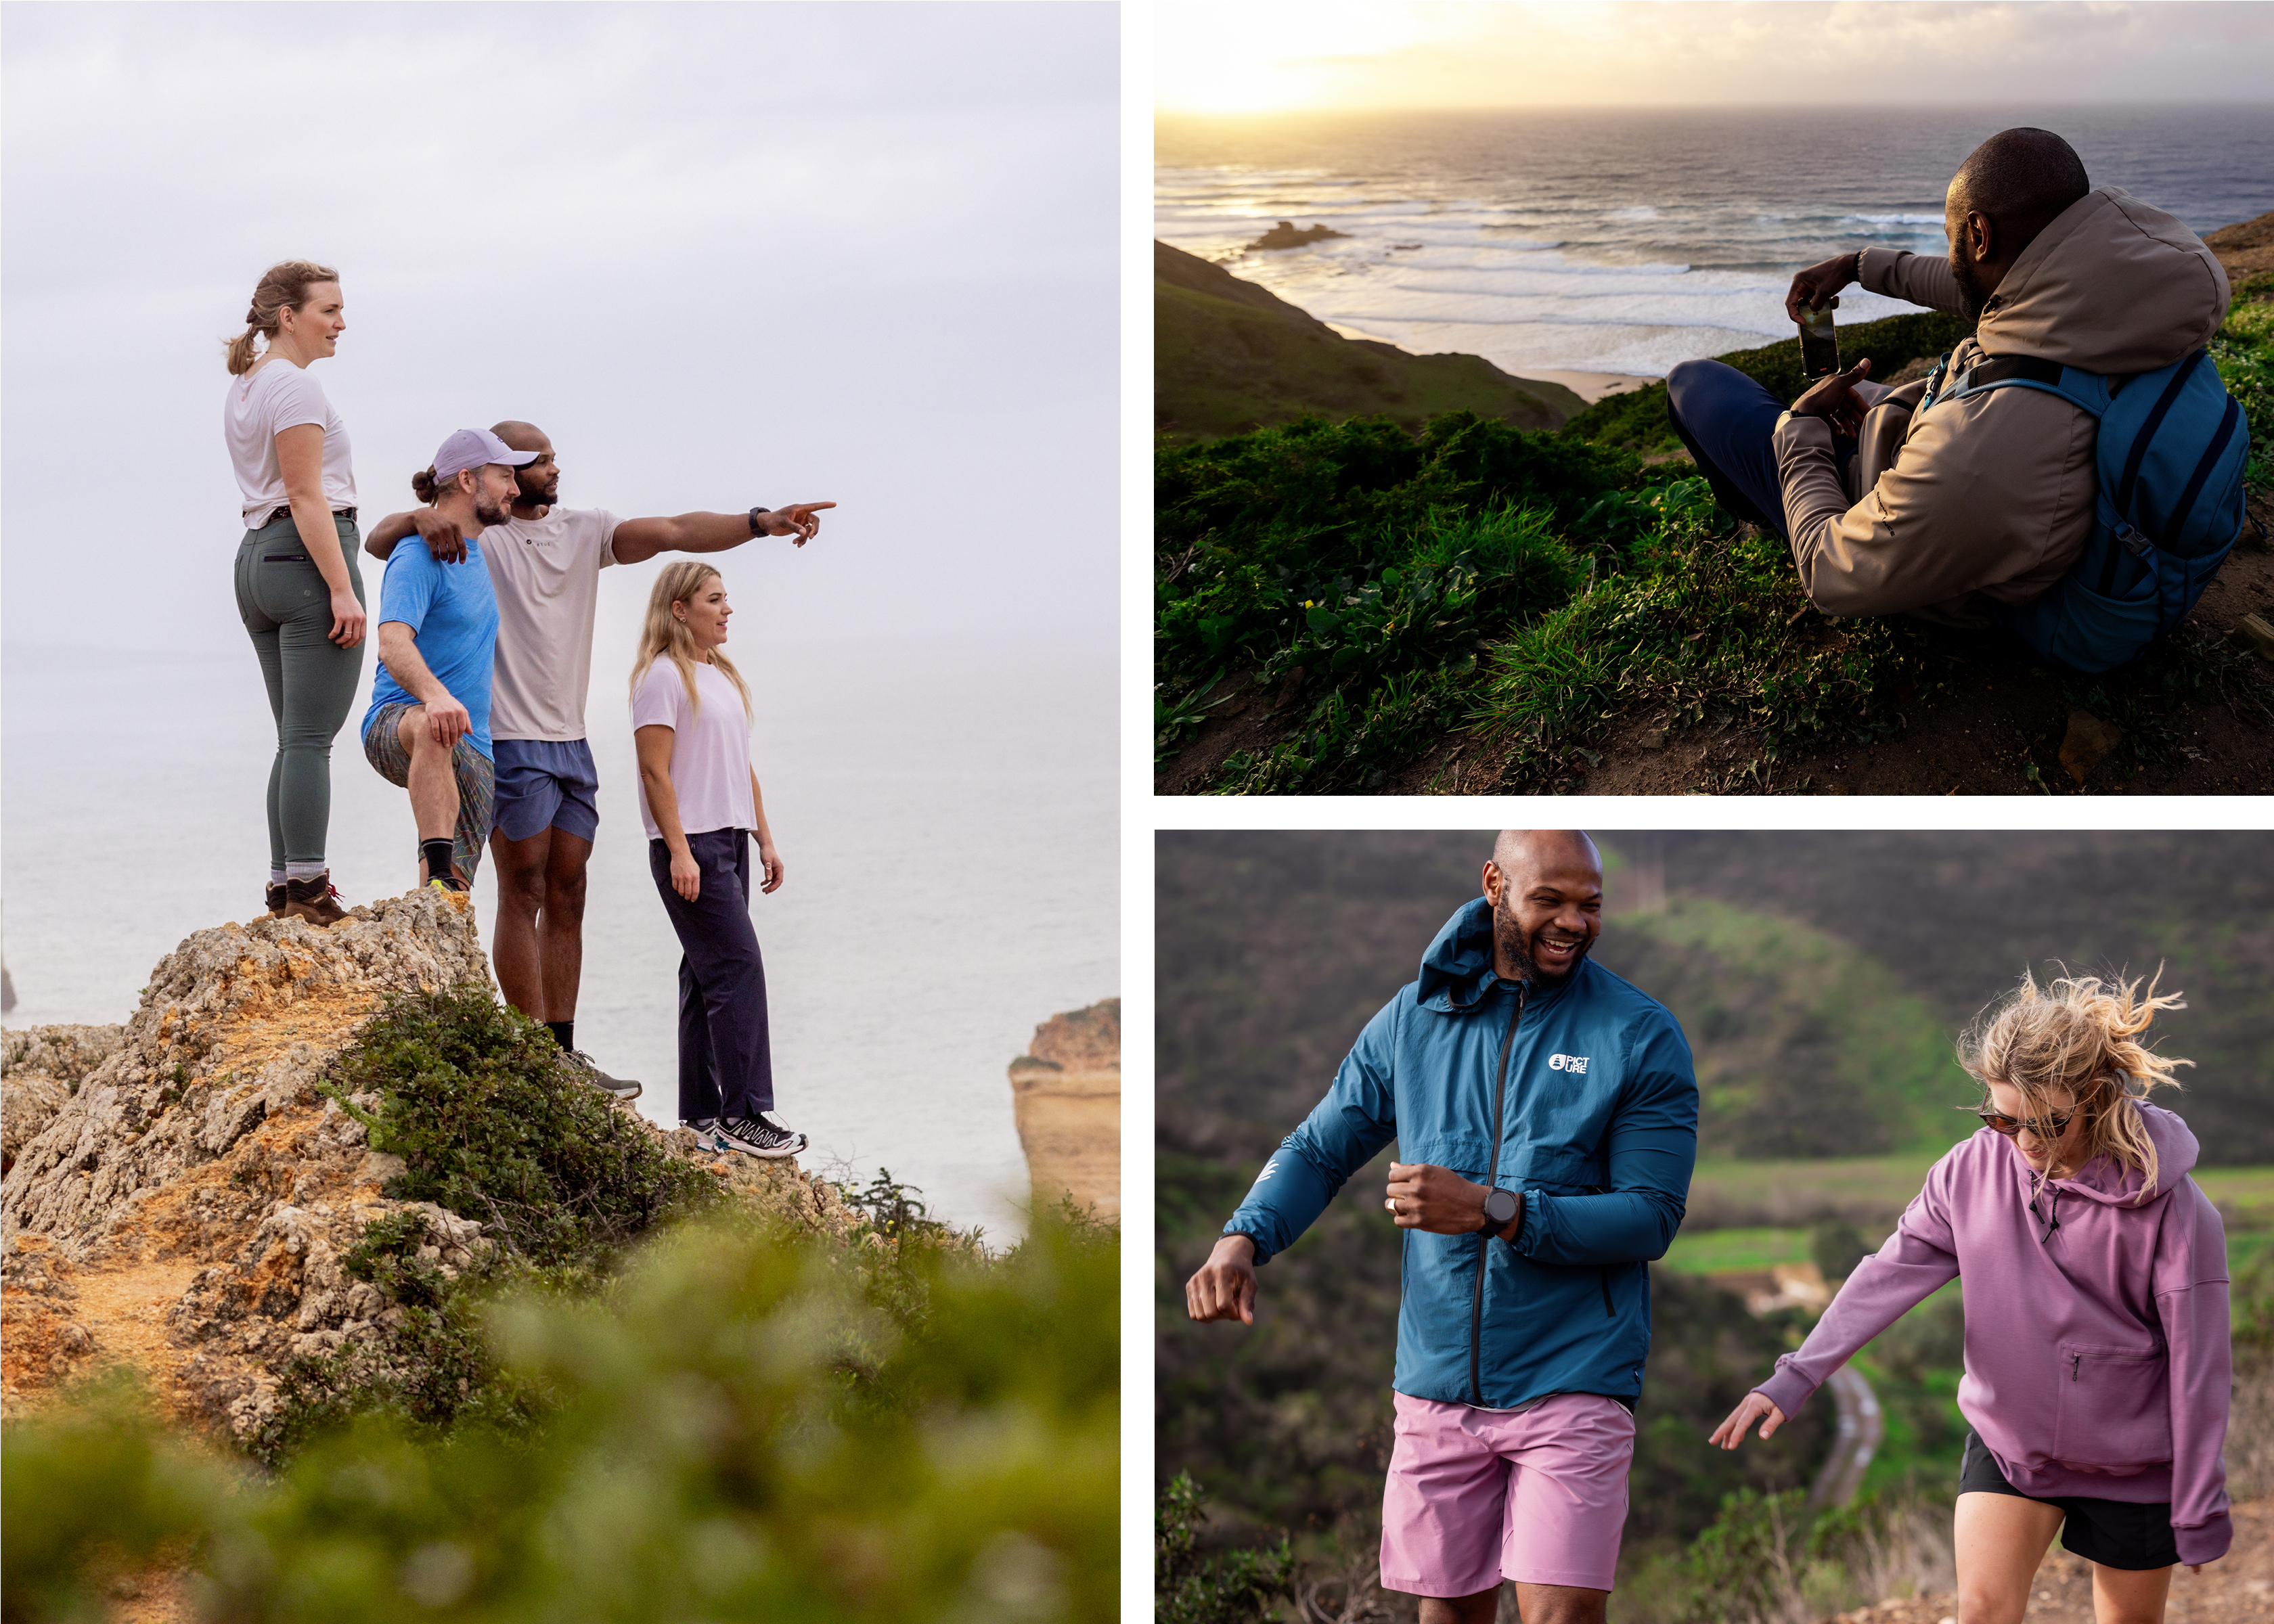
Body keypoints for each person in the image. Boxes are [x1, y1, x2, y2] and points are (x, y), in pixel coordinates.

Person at [1185, 832, 1699, 1624]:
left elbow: (1650, 1215)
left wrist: (1497, 1210)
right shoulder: (1412, 1019)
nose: (1575, 922)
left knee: (1561, 1615)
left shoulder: (1638, 1034)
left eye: (1590, 905)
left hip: (1573, 1378)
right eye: (1550, 900)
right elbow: (1321, 1148)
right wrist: (1241, 1239)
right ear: (1494, 884)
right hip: (1433, 1388)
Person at [1711, 971, 2229, 1623]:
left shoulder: (2178, 1212)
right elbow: (1888, 1274)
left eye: (2044, 1123)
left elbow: (2200, 1365)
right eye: (2000, 1119)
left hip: (2134, 1461)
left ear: (2094, 1097)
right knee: (1981, 1612)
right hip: (2011, 1442)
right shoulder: (1969, 1170)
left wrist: (2199, 1500)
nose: (2024, 1142)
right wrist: (1796, 1376)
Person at [365, 423, 830, 1098]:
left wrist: (760, 522)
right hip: (510, 737)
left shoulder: (585, 530)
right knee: (520, 888)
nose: (554, 468)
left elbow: (675, 529)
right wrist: (417, 514)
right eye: (537, 461)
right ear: (500, 474)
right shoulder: (478, 534)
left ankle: (563, 1050)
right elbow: (385, 540)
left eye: (553, 457)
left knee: (570, 891)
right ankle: (530, 1056)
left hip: (571, 739)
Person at [1664, 127, 2229, 624]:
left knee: (1696, 384)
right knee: (1855, 392)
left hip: (1950, 527)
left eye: (1952, 234)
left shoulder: (1984, 452)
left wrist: (1801, 432)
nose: (1950, 247)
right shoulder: (2135, 308)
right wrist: (1859, 266)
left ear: (1979, 235)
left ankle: (1761, 518)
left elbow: (1832, 578)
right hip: (2002, 490)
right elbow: (1991, 291)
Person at [630, 563, 804, 1160]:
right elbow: (654, 770)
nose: (727, 610)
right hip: (692, 844)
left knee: (705, 977)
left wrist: (765, 838)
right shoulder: (661, 678)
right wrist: (678, 849)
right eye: (714, 600)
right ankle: (744, 1114)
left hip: (727, 840)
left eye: (726, 599)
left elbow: (739, 766)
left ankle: (702, 1114)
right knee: (738, 969)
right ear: (679, 609)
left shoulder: (720, 674)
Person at [225, 260, 367, 928]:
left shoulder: (248, 386)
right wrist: (342, 587)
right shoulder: (296, 389)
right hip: (306, 560)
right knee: (310, 739)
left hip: (256, 559)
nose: (341, 322)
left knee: (293, 739)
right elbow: (306, 494)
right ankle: (310, 890)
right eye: (329, 310)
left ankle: (285, 886)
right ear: (289, 317)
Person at [359, 430, 534, 898]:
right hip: (401, 723)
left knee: (450, 903)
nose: (515, 489)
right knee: (434, 727)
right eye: (505, 477)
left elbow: (375, 538)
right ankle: (435, 869)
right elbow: (392, 643)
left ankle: (436, 907)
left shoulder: (474, 551)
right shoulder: (418, 552)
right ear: (467, 480)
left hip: (477, 747)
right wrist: (435, 697)